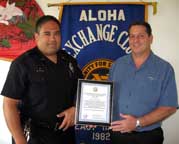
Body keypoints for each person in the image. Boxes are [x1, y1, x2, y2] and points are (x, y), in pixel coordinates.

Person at [1, 15, 83, 144]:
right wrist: (19, 139)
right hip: (34, 137)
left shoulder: (69, 61)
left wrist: (76, 108)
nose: (52, 38)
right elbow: (9, 104)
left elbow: (82, 91)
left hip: (66, 135)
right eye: (47, 34)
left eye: (56, 33)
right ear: (36, 36)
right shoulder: (23, 64)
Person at [109, 21, 178, 144]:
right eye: (132, 36)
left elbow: (170, 107)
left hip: (148, 137)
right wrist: (93, 117)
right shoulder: (117, 65)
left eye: (141, 36)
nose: (136, 40)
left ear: (150, 38)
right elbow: (107, 97)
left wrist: (137, 122)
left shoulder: (164, 68)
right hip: (118, 135)